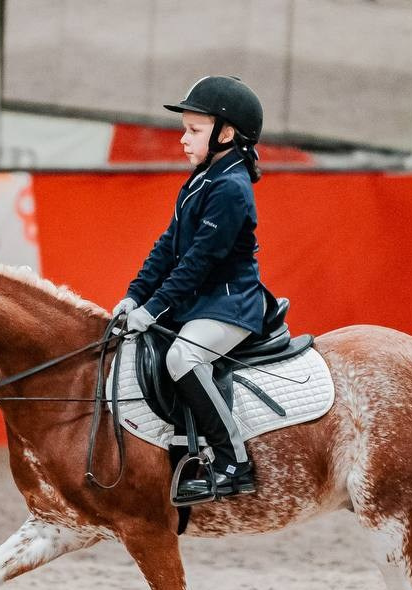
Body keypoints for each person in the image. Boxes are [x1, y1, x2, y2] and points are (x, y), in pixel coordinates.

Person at [113, 75, 275, 502]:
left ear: (226, 133)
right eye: (184, 129)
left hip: (230, 304)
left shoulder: (231, 188)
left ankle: (232, 461)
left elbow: (199, 263)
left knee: (184, 357)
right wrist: (135, 294)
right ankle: (180, 448)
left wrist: (156, 306)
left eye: (193, 130)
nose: (182, 140)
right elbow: (168, 246)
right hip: (202, 300)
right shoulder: (203, 178)